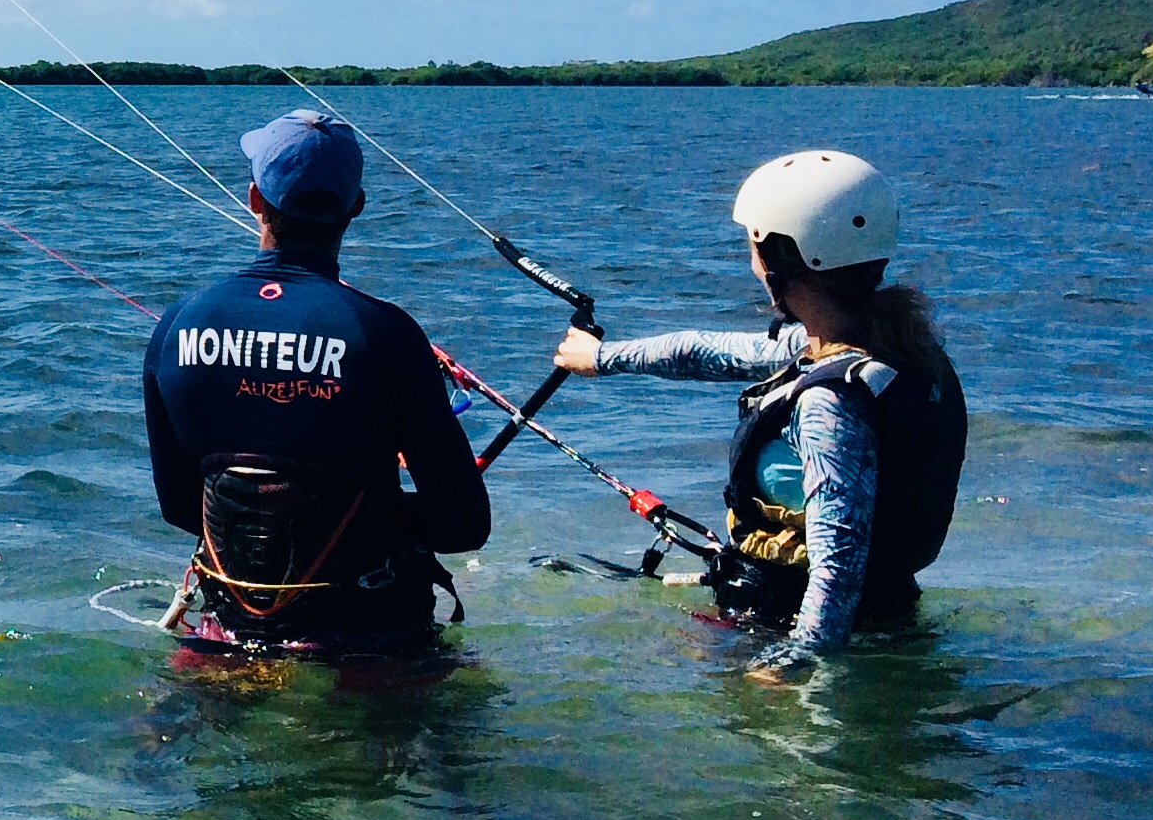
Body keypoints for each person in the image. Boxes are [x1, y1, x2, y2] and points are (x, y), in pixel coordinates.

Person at [553, 149, 966, 669]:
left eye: (752, 244)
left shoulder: (828, 403)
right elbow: (710, 351)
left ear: (779, 258)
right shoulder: (895, 348)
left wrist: (794, 663)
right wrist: (599, 358)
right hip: (890, 617)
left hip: (793, 628)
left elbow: (837, 561)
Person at [143, 110, 491, 649]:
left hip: (231, 632)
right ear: (355, 207)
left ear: (255, 199)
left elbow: (180, 508)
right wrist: (366, 515)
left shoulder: (178, 324)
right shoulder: (386, 334)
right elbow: (463, 526)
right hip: (368, 639)